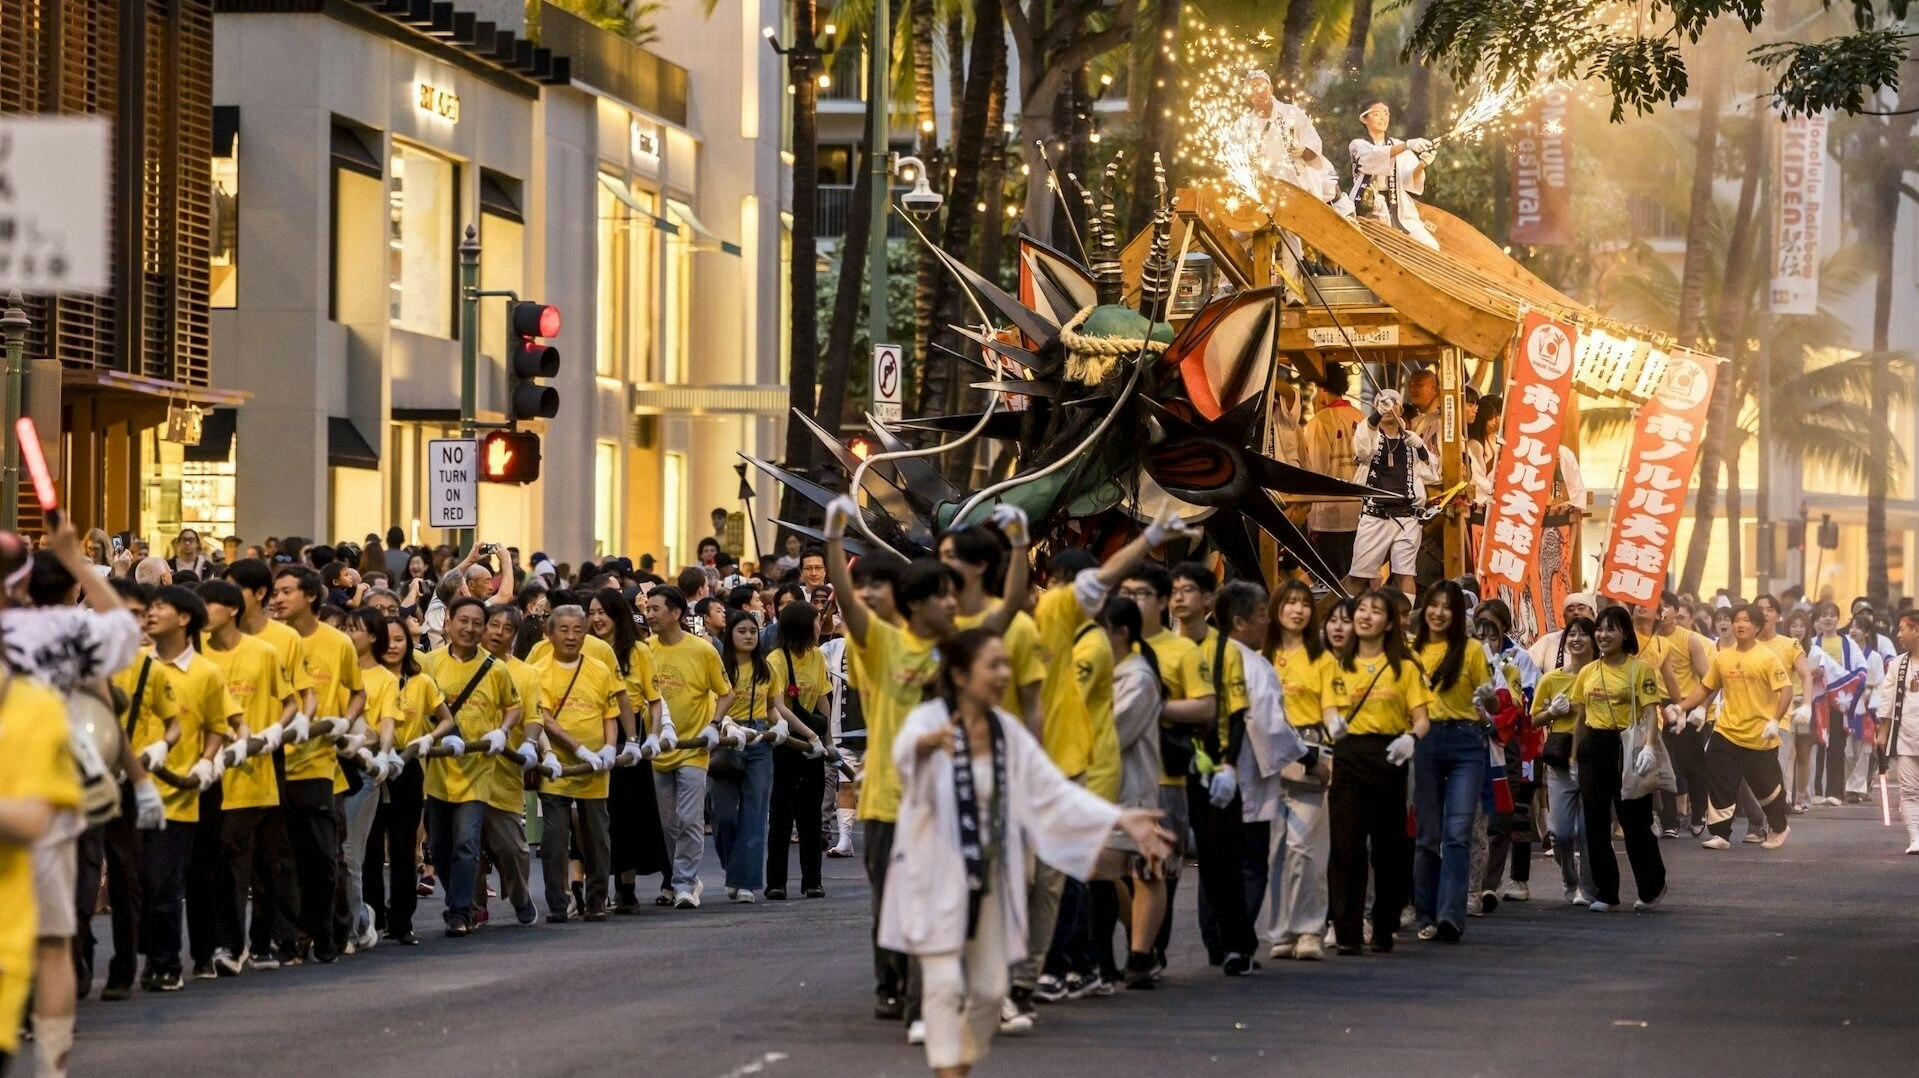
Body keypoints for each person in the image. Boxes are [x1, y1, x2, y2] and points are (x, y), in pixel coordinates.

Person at [881, 628, 1169, 1077]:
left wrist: (1118, 818)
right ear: (959, 674)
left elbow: (1052, 789)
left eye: (1005, 664)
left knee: (993, 988)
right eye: (992, 665)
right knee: (940, 983)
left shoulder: (1006, 731)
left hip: (990, 877)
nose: (1003, 674)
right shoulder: (930, 718)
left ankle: (957, 1064)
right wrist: (926, 743)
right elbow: (900, 755)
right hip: (933, 875)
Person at [822, 495, 961, 1029]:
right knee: (891, 899)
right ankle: (892, 987)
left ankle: (930, 990)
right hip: (885, 799)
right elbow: (851, 609)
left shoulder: (961, 649)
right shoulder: (881, 643)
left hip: (942, 801)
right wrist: (834, 541)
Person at [138, 586, 239, 989]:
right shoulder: (138, 665)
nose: (151, 613)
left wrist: (203, 761)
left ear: (184, 619)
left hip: (178, 795)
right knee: (141, 885)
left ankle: (167, 964)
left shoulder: (206, 673)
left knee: (165, 883)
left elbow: (218, 727)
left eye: (160, 607)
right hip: (132, 791)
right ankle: (148, 958)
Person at [197, 580, 297, 977]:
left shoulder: (264, 652)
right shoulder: (198, 656)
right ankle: (229, 943)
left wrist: (273, 733)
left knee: (264, 867)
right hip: (215, 776)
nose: (203, 610)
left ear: (232, 609)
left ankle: (261, 941)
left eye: (211, 604)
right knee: (226, 866)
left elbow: (290, 702)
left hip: (258, 773)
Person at [1325, 590, 1432, 955]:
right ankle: (1347, 931)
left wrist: (1409, 739)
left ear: (1389, 622)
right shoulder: (1338, 663)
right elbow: (1327, 708)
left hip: (1389, 755)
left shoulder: (1404, 665)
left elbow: (1422, 720)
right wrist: (1332, 723)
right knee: (1346, 846)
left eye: (1376, 611)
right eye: (1362, 610)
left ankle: (1384, 924)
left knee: (1388, 848)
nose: (1365, 616)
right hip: (1349, 754)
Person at [272, 565, 366, 960]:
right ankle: (294, 937)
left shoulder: (337, 643)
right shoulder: (268, 641)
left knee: (325, 858)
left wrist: (345, 721)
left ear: (310, 596)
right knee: (282, 861)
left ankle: (330, 929)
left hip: (319, 764)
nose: (277, 598)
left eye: (286, 591)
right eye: (274, 592)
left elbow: (357, 693)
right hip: (272, 764)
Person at [416, 596, 521, 935]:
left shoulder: (497, 669)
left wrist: (502, 732)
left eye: (478, 622)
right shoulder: (429, 664)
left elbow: (513, 706)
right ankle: (458, 899)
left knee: (466, 842)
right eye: (463, 620)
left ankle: (460, 912)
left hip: (478, 770)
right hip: (437, 771)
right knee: (439, 846)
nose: (470, 628)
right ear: (448, 621)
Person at [0, 664, 81, 1077]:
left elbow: (32, 821)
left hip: (44, 795)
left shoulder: (36, 704)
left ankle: (51, 1069)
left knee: (51, 942)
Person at [530, 604, 633, 921]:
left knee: (597, 836)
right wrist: (578, 750)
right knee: (555, 837)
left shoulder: (599, 669)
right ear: (549, 634)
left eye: (578, 629)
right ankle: (558, 904)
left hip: (595, 766)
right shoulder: (539, 670)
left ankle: (597, 901)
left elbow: (609, 714)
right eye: (563, 629)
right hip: (557, 766)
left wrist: (608, 747)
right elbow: (545, 719)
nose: (571, 636)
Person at [1410, 580, 1494, 941]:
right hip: (1425, 743)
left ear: (1458, 614)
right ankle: (1426, 914)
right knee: (1428, 836)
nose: (1439, 612)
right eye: (1434, 604)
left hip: (1466, 743)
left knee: (1457, 834)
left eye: (1447, 606)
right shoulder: (1411, 652)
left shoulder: (1473, 650)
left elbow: (1490, 704)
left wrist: (1490, 697)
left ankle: (1451, 916)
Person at [1571, 607, 1668, 911]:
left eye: (1610, 629)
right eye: (1599, 629)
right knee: (1595, 823)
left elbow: (1651, 711)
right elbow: (1580, 718)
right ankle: (1606, 893)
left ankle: (1652, 886)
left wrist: (1650, 747)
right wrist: (1574, 758)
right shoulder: (1587, 671)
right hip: (1594, 747)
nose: (1602, 635)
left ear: (1625, 633)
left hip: (1627, 745)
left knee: (1634, 822)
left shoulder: (1641, 670)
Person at [644, 585, 735, 908]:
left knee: (689, 818)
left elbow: (726, 692)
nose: (650, 614)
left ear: (676, 613)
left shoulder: (703, 650)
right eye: (648, 608)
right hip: (658, 749)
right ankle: (681, 876)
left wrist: (713, 725)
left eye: (656, 609)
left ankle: (684, 882)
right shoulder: (646, 649)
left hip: (694, 748)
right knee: (668, 823)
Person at [1259, 581, 1336, 960]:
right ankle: (1281, 930)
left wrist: (1331, 757)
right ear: (1276, 609)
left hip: (1311, 751)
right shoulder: (1263, 656)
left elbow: (1332, 712)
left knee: (1305, 846)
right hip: (1267, 755)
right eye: (1289, 602)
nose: (1297, 609)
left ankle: (1309, 930)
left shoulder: (1321, 658)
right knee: (1274, 849)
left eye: (1304, 604)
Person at [1677, 604, 1794, 851]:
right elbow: (1706, 687)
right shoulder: (1724, 656)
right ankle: (1720, 834)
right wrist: (1682, 707)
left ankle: (1779, 827)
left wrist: (1774, 720)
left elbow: (1786, 690)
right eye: (1736, 620)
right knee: (1717, 772)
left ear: (1757, 627)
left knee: (1767, 788)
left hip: (1759, 735)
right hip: (1727, 730)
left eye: (1746, 621)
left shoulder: (1767, 657)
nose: (1739, 624)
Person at [1096, 598, 1169, 988]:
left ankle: (1141, 955)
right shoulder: (1107, 671)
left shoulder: (1137, 678)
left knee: (1144, 873)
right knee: (1107, 872)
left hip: (1134, 787)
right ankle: (1141, 947)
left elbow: (1114, 731)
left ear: (1121, 633)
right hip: (1106, 789)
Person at [583, 588, 666, 912]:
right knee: (596, 817)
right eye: (591, 612)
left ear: (618, 615)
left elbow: (655, 700)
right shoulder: (584, 650)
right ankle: (596, 885)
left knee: (629, 815)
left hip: (630, 737)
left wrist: (653, 736)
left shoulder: (639, 651)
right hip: (593, 734)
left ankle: (627, 888)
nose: (597, 619)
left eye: (603, 612)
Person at [366, 616, 448, 944]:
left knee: (403, 849)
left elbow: (446, 720)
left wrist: (425, 741)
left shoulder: (422, 681)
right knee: (370, 849)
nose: (393, 645)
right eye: (386, 639)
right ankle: (372, 919)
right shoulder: (364, 678)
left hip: (408, 766)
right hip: (370, 765)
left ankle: (402, 921)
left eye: (399, 639)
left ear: (409, 643)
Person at [475, 605, 540, 926]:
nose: (498, 632)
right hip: (460, 772)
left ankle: (519, 894)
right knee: (464, 845)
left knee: (512, 847)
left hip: (505, 772)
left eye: (507, 628)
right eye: (493, 625)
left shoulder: (526, 674)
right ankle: (470, 906)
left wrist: (530, 744)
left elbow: (533, 717)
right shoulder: (449, 662)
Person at [765, 600, 832, 899]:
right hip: (786, 743)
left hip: (812, 746)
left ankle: (813, 880)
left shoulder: (817, 657)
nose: (820, 626)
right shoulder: (776, 659)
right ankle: (776, 882)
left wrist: (827, 740)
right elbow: (777, 706)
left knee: (811, 815)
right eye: (816, 621)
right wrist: (809, 734)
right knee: (781, 814)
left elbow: (822, 700)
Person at [712, 609, 779, 903]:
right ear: (731, 635)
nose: (749, 636)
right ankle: (734, 866)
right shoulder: (719, 666)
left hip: (760, 741)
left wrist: (781, 726)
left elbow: (773, 707)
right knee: (723, 815)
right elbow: (710, 702)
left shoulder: (767, 669)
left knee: (754, 813)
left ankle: (745, 883)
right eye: (742, 631)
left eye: (753, 631)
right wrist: (723, 724)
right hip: (726, 740)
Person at [1345, 389, 1435, 598]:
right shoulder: (1368, 431)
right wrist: (1376, 414)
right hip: (1375, 514)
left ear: (1401, 408)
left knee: (1405, 573)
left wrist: (1421, 447)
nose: (1387, 406)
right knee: (1358, 574)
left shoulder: (1410, 439)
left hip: (1406, 516)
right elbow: (1361, 450)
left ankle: (1403, 623)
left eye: (1392, 402)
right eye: (1380, 403)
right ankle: (1350, 619)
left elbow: (1433, 473)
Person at [1534, 617, 1597, 904]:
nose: (1577, 639)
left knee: (1587, 830)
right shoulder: (1551, 679)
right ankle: (1568, 877)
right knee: (1560, 831)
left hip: (1593, 757)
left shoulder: (1601, 674)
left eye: (1584, 634)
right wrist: (1553, 712)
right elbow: (1534, 719)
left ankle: (1586, 888)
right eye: (1572, 634)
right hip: (1560, 761)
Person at [1235, 69, 1339, 204]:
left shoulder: (1292, 112)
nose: (1258, 91)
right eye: (1253, 87)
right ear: (1247, 94)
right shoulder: (1243, 124)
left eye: (1262, 86)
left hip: (1300, 183)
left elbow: (1314, 143)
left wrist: (1303, 150)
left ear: (1271, 89)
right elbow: (1235, 158)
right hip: (1267, 189)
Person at [1348, 98, 1439, 248]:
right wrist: (1407, 145)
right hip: (1369, 209)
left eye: (1386, 113)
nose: (1383, 118)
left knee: (1431, 247)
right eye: (1376, 114)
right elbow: (1374, 156)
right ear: (1364, 119)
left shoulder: (1398, 145)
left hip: (1400, 209)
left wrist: (1422, 165)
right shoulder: (1358, 145)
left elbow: (1409, 179)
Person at [1301, 364, 1363, 574]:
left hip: (1328, 515)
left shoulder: (1320, 422)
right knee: (1356, 575)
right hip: (1359, 512)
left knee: (1332, 581)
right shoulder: (1361, 418)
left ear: (1321, 388)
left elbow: (1316, 470)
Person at [1875, 609, 1919, 852]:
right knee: (1909, 790)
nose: (1898, 634)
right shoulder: (1897, 665)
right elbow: (1887, 701)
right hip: (1907, 738)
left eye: (1903, 629)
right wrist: (1883, 733)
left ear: (1917, 631)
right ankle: (1916, 837)